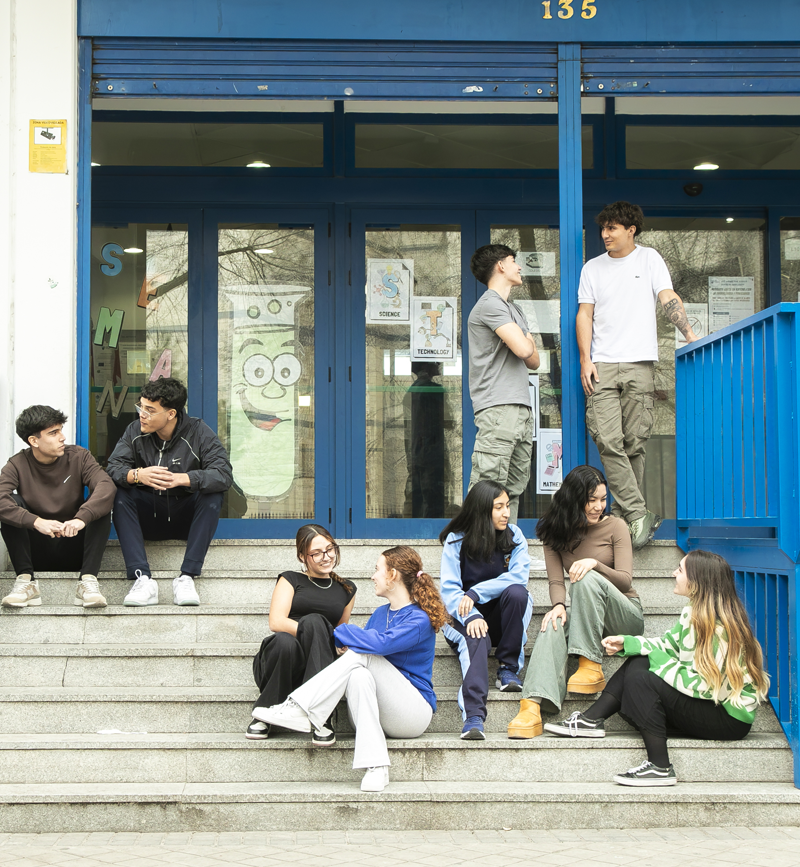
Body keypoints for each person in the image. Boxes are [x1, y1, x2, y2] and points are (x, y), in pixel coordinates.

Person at [544, 550, 770, 787]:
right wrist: (629, 643)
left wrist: (660, 663)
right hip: (708, 706)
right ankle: (591, 720)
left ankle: (660, 766)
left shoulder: (720, 629)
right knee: (639, 659)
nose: (674, 573)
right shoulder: (692, 613)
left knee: (644, 679)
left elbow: (709, 689)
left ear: (696, 582)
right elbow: (667, 645)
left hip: (728, 718)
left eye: (680, 570)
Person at [252, 545, 448, 793]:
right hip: (375, 710)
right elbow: (363, 647)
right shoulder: (380, 614)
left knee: (363, 656)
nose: (372, 576)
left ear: (393, 575)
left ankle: (301, 707)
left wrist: (335, 632)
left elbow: (380, 645)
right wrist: (344, 646)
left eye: (377, 570)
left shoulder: (418, 619)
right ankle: (377, 766)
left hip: (412, 714)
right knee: (357, 672)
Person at [576, 201, 698, 549]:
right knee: (607, 440)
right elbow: (584, 315)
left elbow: (667, 297)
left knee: (635, 444)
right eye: (603, 228)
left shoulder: (650, 259)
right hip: (602, 364)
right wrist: (586, 359)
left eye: (612, 228)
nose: (605, 235)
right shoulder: (592, 268)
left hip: (641, 363)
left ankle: (629, 519)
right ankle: (638, 513)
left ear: (631, 230)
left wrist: (689, 333)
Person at [507, 465, 643, 738]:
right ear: (573, 500)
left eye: (603, 500)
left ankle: (590, 664)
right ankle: (531, 706)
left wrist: (595, 564)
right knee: (552, 625)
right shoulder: (554, 531)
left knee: (584, 576)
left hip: (624, 615)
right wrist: (558, 605)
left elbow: (626, 581)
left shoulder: (616, 526)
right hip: (585, 614)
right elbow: (557, 582)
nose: (598, 507)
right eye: (591, 500)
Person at [106, 377, 233, 607]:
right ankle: (142, 579)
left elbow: (223, 474)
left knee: (212, 494)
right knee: (120, 492)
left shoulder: (198, 431)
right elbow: (113, 468)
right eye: (140, 407)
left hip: (185, 520)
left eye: (150, 410)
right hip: (148, 520)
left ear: (171, 414)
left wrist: (182, 479)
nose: (141, 415)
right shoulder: (134, 430)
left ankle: (186, 577)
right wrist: (137, 475)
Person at [439, 480, 532, 740]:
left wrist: (477, 593)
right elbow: (448, 591)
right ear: (482, 510)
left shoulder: (514, 536)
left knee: (518, 594)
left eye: (507, 506)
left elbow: (518, 577)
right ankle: (473, 717)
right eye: (498, 507)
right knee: (476, 635)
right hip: (462, 615)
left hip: (500, 615)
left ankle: (508, 668)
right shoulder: (456, 541)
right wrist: (472, 614)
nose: (506, 513)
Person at [247, 524, 357, 743]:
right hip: (281, 659)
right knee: (286, 639)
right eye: (316, 553)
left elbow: (339, 631)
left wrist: (339, 643)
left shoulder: (347, 589)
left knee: (316, 623)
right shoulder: (291, 579)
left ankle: (319, 713)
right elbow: (276, 621)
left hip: (318, 663)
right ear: (302, 556)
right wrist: (315, 631)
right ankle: (269, 709)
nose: (326, 557)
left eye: (329, 549)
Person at [0, 405, 115, 608]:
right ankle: (26, 582)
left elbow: (106, 486)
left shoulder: (79, 457)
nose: (62, 437)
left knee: (99, 506)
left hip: (74, 546)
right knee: (12, 503)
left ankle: (87, 582)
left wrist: (81, 519)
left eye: (61, 430)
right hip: (37, 549)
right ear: (33, 441)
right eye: (53, 433)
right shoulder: (17, 464)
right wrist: (36, 521)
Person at [468, 245, 539, 523]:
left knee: (513, 489)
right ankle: (474, 554)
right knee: (488, 487)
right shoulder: (490, 304)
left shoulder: (514, 309)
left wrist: (525, 342)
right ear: (500, 266)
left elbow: (535, 363)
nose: (518, 267)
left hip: (521, 408)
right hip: (498, 408)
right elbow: (524, 350)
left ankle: (505, 551)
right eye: (513, 261)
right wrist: (525, 340)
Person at [403, 361, 445, 518]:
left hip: (418, 448)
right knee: (432, 491)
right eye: (435, 362)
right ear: (426, 366)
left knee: (419, 490)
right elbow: (440, 421)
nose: (439, 364)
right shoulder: (431, 390)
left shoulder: (413, 390)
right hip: (429, 448)